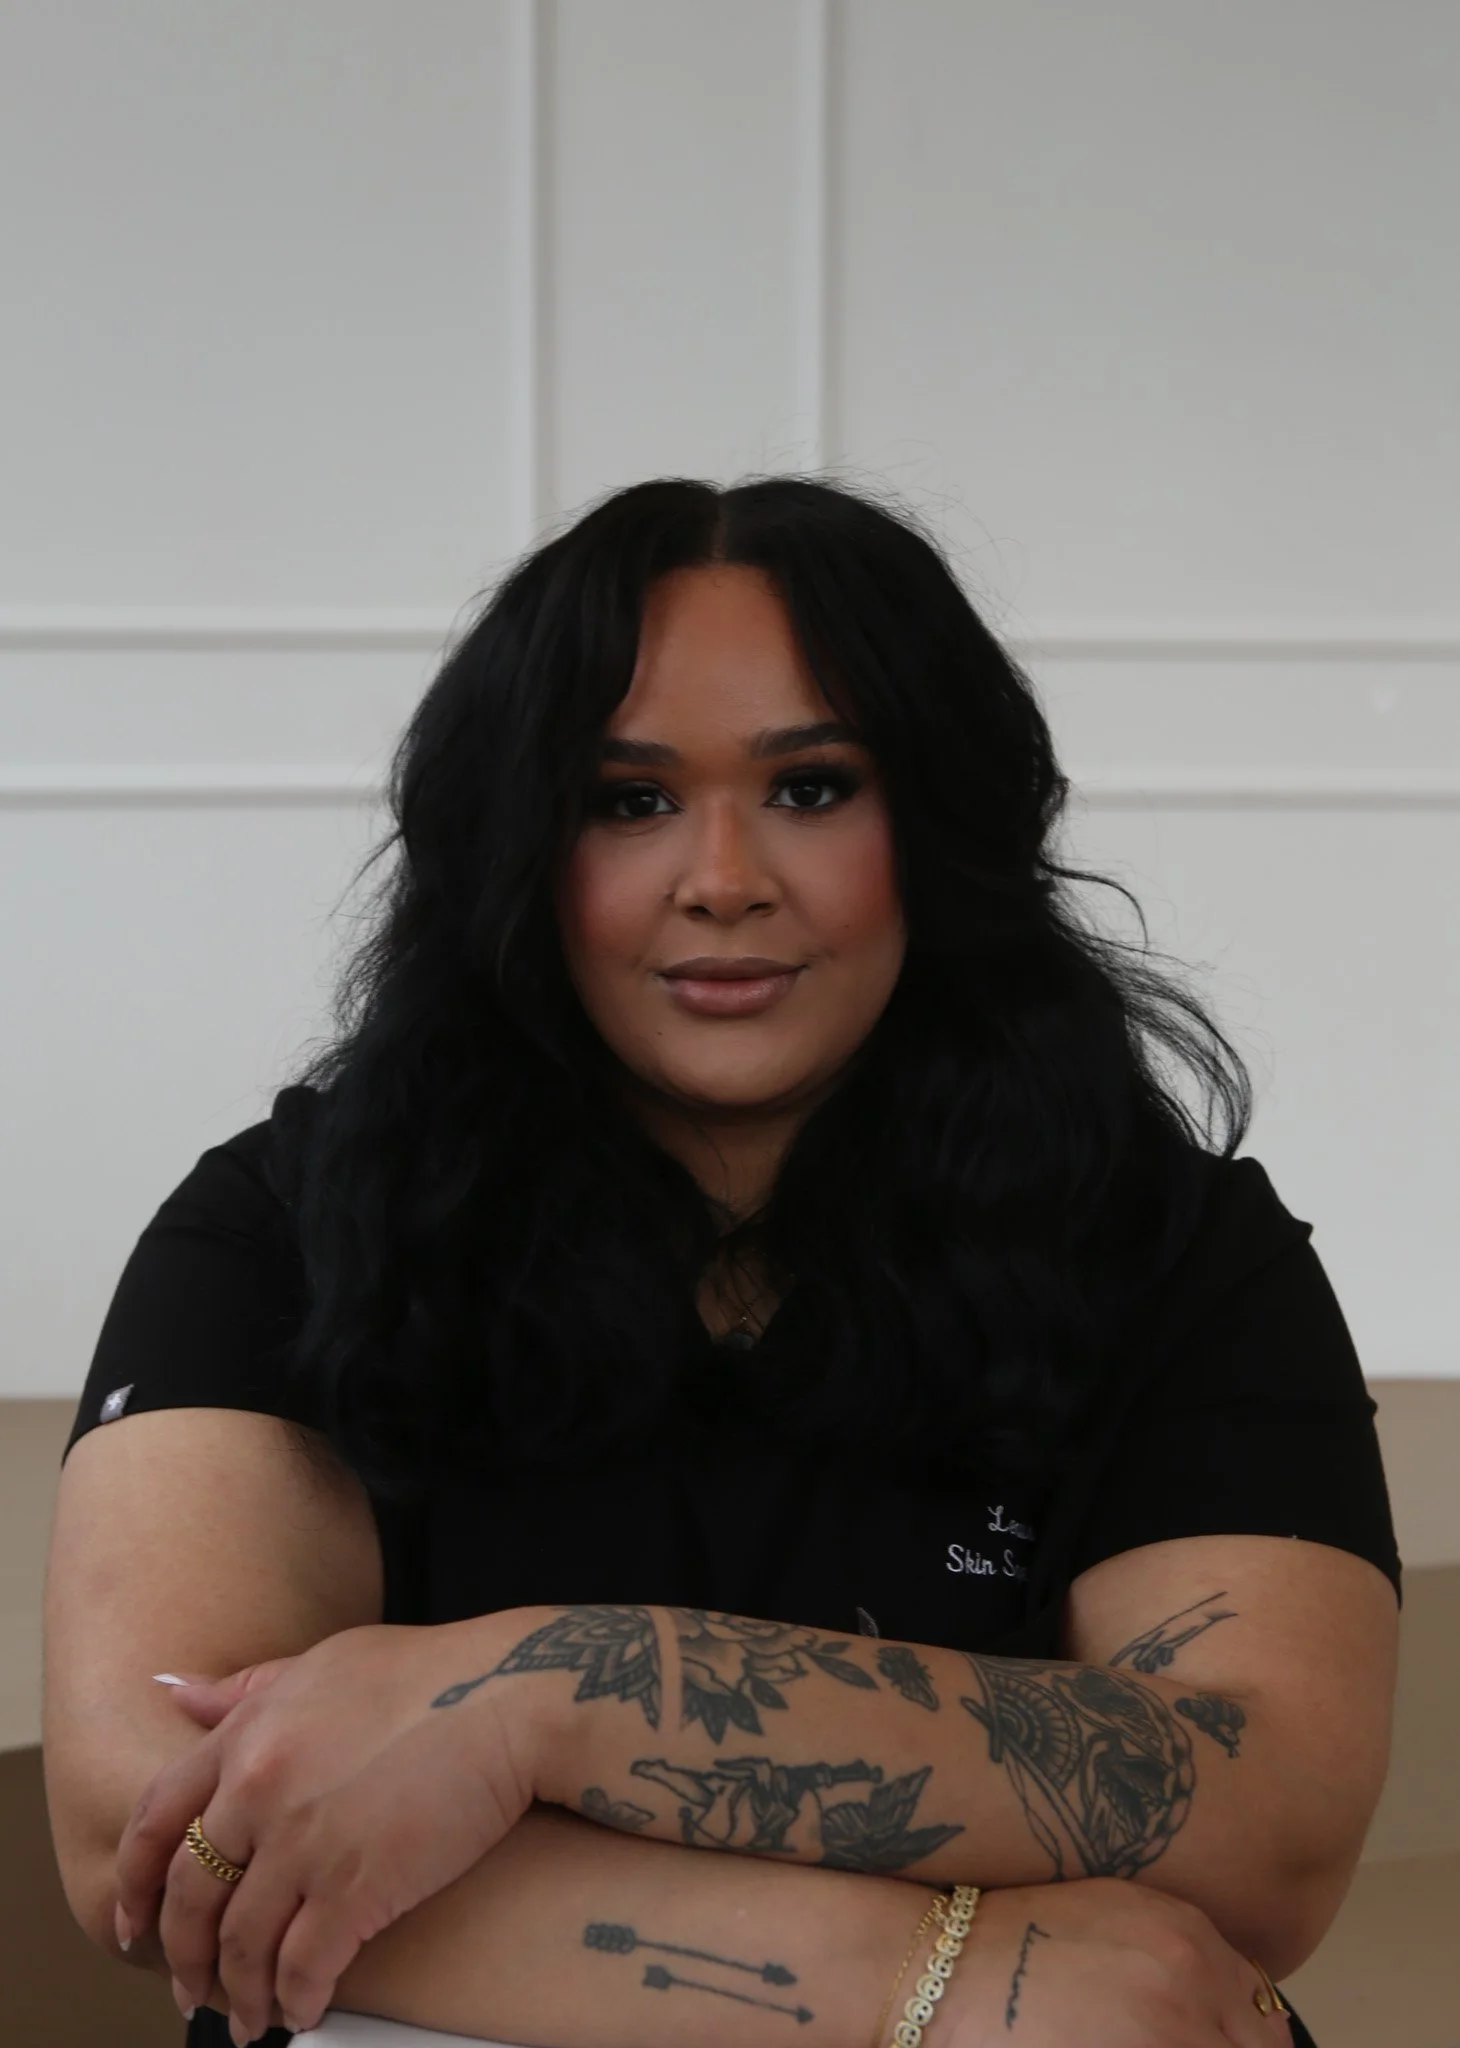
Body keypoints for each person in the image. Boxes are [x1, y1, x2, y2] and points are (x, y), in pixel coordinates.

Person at [44, 475, 1399, 2048]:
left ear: (938, 827)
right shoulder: (281, 1225)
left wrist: (553, 1693)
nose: (724, 877)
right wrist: (926, 1978)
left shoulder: (1181, 1250)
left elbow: (1268, 1827)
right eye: (628, 801)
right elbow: (159, 1831)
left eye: (812, 788)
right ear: (519, 848)